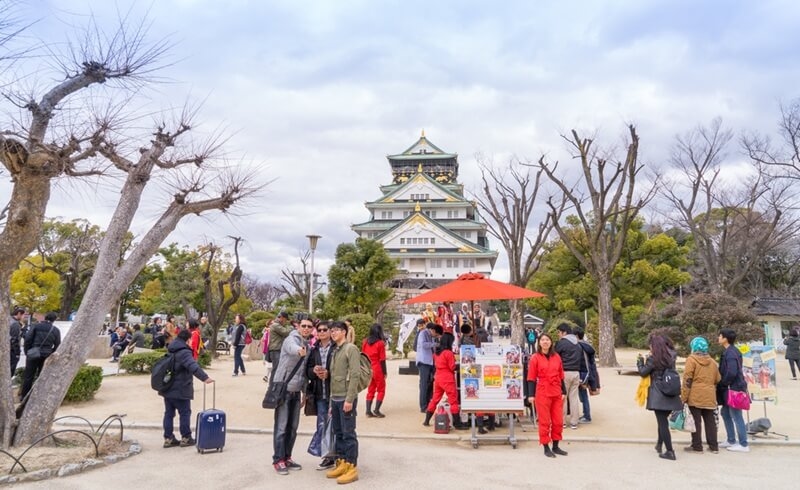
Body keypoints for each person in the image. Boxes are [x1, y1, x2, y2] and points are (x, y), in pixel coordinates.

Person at [272, 317, 312, 475]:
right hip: (284, 390)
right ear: (298, 326)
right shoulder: (291, 338)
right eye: (304, 326)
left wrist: (304, 392)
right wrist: (298, 350)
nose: (306, 328)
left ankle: (287, 456)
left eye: (309, 326)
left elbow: (302, 373)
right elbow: (291, 348)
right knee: (281, 427)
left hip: (296, 392)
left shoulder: (307, 345)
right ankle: (278, 459)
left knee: (293, 428)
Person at [160, 329, 213, 448]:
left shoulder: (171, 349)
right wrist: (205, 378)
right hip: (180, 387)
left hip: (167, 387)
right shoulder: (184, 352)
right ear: (188, 339)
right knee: (184, 412)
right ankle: (186, 437)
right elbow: (193, 366)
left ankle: (168, 438)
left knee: (169, 413)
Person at [325, 321, 361, 484]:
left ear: (344, 332)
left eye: (337, 330)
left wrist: (350, 399)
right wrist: (332, 402)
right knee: (338, 432)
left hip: (346, 398)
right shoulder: (335, 350)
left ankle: (351, 466)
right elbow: (333, 377)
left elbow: (355, 375)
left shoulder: (350, 349)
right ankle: (342, 462)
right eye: (332, 330)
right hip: (336, 397)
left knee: (348, 433)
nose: (333, 333)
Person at [637, 333, 682, 461]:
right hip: (671, 391)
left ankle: (670, 451)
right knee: (662, 421)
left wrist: (640, 362)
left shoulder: (654, 359)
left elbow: (643, 372)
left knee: (662, 423)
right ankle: (659, 444)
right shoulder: (672, 356)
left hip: (659, 393)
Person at [526, 333, 567, 458]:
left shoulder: (557, 357)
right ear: (539, 342)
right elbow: (531, 377)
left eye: (547, 340)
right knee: (544, 421)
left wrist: (564, 391)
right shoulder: (535, 358)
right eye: (542, 340)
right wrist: (531, 395)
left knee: (558, 420)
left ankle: (556, 445)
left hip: (556, 391)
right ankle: (545, 446)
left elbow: (561, 376)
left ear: (551, 342)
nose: (545, 342)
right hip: (542, 391)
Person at [681, 336, 721, 454]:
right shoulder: (713, 362)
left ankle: (697, 446)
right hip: (709, 395)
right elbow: (718, 378)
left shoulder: (691, 360)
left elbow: (687, 379)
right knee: (710, 421)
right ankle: (714, 446)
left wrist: (684, 397)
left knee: (696, 421)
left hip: (695, 395)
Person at [306, 320, 335, 470]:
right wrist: (314, 372)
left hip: (335, 393)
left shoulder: (336, 348)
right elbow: (308, 370)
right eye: (320, 330)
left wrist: (329, 374)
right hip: (320, 393)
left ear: (330, 331)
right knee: (322, 425)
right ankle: (327, 456)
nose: (322, 332)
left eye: (325, 330)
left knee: (337, 426)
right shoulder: (314, 349)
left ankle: (339, 455)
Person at [423, 333, 466, 429]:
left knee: (435, 399)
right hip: (448, 379)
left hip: (438, 378)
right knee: (453, 401)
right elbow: (452, 367)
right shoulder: (448, 353)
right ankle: (457, 424)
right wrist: (460, 366)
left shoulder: (436, 353)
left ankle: (426, 420)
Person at [717, 328, 749, 452]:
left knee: (736, 415)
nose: (718, 338)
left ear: (725, 338)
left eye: (720, 336)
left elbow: (732, 371)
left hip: (733, 388)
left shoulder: (730, 353)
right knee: (725, 413)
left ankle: (743, 443)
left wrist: (723, 383)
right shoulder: (730, 351)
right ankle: (731, 439)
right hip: (730, 388)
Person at [20, 312, 61, 400]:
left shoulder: (36, 326)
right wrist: (51, 353)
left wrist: (28, 351)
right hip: (46, 355)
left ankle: (24, 397)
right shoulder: (56, 330)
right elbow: (58, 344)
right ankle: (38, 397)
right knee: (42, 377)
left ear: (45, 318)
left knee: (28, 376)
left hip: (33, 353)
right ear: (54, 320)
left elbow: (28, 339)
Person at [554, 323, 582, 430]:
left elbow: (555, 356)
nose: (558, 335)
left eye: (559, 332)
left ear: (564, 332)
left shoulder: (562, 343)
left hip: (564, 373)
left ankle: (562, 422)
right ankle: (574, 422)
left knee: (562, 397)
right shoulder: (577, 343)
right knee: (574, 398)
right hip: (576, 373)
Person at [574, 327, 600, 423]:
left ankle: (587, 416)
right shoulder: (587, 345)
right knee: (583, 395)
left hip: (582, 374)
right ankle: (586, 414)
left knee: (583, 396)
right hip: (588, 373)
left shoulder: (579, 346)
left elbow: (583, 363)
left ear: (576, 335)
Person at [361, 323, 387, 418]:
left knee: (370, 389)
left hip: (368, 367)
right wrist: (384, 372)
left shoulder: (365, 341)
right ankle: (376, 410)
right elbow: (382, 359)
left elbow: (362, 356)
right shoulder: (380, 343)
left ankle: (368, 411)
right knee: (381, 389)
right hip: (377, 368)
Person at [415, 319, 435, 413]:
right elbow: (423, 345)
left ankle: (428, 403)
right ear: (431, 329)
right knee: (424, 384)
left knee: (429, 384)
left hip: (429, 362)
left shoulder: (429, 334)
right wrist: (435, 344)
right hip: (423, 362)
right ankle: (423, 406)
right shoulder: (423, 333)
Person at [268, 311, 293, 383]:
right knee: (276, 368)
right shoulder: (276, 325)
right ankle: (272, 386)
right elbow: (285, 332)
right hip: (276, 349)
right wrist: (291, 327)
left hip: (277, 349)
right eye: (286, 319)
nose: (285, 321)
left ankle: (274, 385)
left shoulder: (277, 325)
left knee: (278, 368)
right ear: (282, 318)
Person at [9, 306, 25, 375]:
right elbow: (14, 340)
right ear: (19, 313)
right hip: (12, 351)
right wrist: (17, 353)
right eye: (23, 315)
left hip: (6, 349)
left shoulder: (8, 320)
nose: (23, 317)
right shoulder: (15, 324)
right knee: (11, 370)